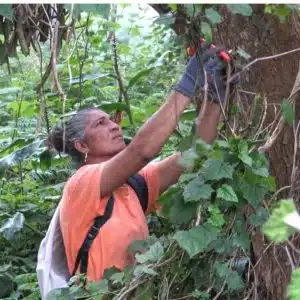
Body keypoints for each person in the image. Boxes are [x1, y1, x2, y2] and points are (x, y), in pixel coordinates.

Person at [46, 44, 232, 284]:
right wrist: (189, 81)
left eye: (111, 121)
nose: (114, 126)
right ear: (82, 146)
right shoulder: (81, 184)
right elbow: (141, 151)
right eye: (100, 124)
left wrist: (216, 96)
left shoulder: (134, 185)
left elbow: (196, 151)